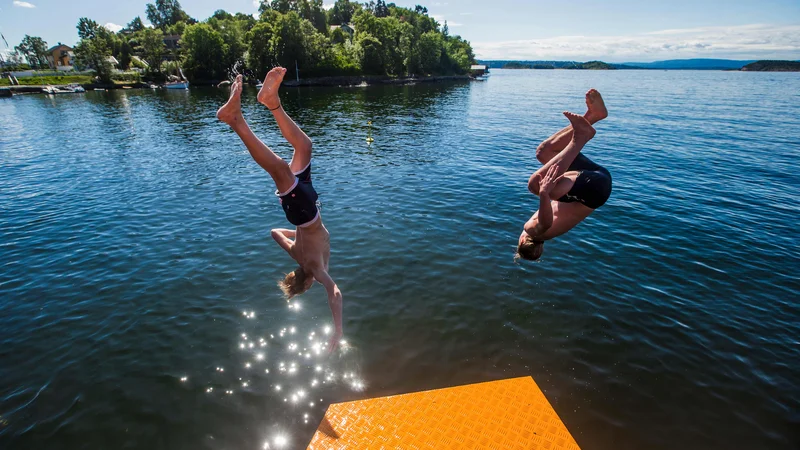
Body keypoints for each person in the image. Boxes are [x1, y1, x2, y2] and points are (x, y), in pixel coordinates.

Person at [217, 69, 343, 352]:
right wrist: (297, 234)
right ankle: (270, 100)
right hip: (303, 210)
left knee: (278, 168)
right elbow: (275, 232)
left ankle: (235, 120)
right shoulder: (295, 253)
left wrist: (338, 330)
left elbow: (335, 292)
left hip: (305, 211)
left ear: (307, 283)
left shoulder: (314, 268)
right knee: (304, 146)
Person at [517, 89, 612, 261]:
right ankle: (581, 137)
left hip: (597, 181)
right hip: (593, 189)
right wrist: (544, 193)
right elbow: (545, 223)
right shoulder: (533, 232)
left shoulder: (549, 235)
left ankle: (593, 116)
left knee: (544, 152)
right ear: (522, 240)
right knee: (536, 185)